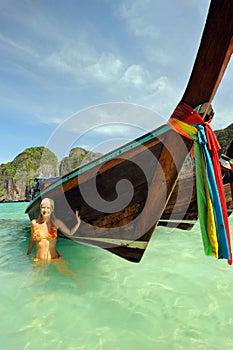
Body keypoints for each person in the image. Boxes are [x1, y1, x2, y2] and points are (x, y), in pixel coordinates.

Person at [26, 197, 81, 262]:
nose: (45, 210)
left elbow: (70, 233)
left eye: (48, 208)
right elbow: (32, 240)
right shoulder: (34, 223)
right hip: (38, 259)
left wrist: (78, 223)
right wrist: (27, 254)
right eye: (43, 207)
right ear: (40, 209)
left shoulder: (56, 223)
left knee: (68, 272)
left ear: (52, 209)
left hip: (55, 258)